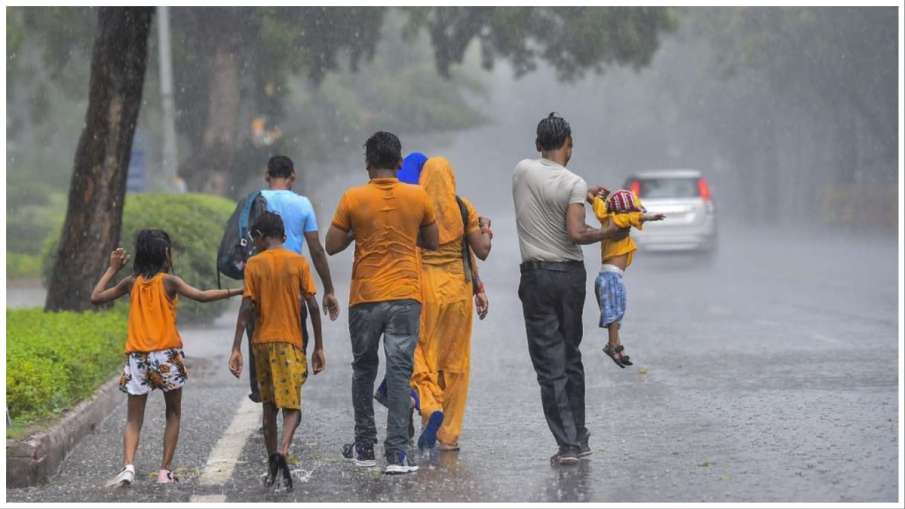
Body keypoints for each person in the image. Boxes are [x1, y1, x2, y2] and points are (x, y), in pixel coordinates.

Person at [511, 112, 628, 466]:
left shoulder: (521, 171)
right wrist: (609, 232)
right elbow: (577, 233)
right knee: (570, 355)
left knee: (549, 363)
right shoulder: (574, 183)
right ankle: (579, 435)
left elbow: (549, 194)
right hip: (569, 278)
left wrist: (582, 195)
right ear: (569, 145)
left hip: (537, 277)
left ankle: (568, 445)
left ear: (537, 145)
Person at [325, 131, 439, 475]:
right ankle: (398, 453)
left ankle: (364, 446)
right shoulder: (418, 197)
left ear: (368, 165)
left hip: (365, 298)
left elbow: (332, 244)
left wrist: (360, 228)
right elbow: (432, 241)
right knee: (400, 371)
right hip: (405, 296)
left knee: (363, 369)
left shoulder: (353, 198)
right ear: (400, 163)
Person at [90, 230, 242, 486]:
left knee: (133, 419)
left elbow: (95, 297)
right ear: (164, 254)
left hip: (137, 357)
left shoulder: (131, 282)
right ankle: (164, 472)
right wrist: (238, 291)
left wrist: (112, 269)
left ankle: (128, 467)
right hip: (166, 356)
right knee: (173, 413)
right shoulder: (170, 282)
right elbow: (202, 296)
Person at [228, 212, 325, 491]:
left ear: (259, 236)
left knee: (269, 406)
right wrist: (318, 346)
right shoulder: (298, 262)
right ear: (282, 236)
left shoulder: (254, 264)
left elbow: (247, 307)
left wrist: (236, 347)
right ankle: (283, 450)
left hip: (261, 344)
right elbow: (313, 306)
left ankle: (272, 464)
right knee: (292, 406)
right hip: (290, 343)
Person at [409, 156, 493, 452]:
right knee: (455, 361)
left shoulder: (415, 206)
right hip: (459, 291)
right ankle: (448, 435)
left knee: (421, 352)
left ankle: (430, 406)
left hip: (425, 289)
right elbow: (479, 251)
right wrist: (486, 229)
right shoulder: (463, 207)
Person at [243, 155, 339, 403]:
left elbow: (247, 241)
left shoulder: (257, 200)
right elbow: (316, 249)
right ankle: (291, 385)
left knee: (257, 337)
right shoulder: (303, 204)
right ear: (292, 177)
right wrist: (328, 289)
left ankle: (261, 388)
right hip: (292, 289)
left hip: (261, 285)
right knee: (295, 340)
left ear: (267, 176)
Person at [588, 188, 664, 368]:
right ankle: (612, 345)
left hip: (608, 277)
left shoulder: (605, 216)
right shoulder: (620, 219)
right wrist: (651, 217)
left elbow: (594, 201)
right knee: (614, 315)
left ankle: (617, 346)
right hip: (611, 277)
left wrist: (594, 195)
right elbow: (637, 216)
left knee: (615, 314)